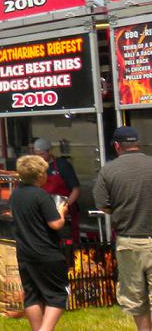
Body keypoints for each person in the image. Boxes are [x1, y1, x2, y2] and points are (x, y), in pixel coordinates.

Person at [94, 126, 152, 330]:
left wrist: (120, 210)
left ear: (117, 146)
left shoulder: (108, 170)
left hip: (129, 241)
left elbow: (102, 203)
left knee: (136, 298)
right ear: (137, 143)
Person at [10, 154, 69, 331]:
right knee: (57, 295)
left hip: (25, 252)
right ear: (39, 176)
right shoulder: (41, 195)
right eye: (45, 172)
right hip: (47, 253)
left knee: (32, 295)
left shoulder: (16, 194)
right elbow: (56, 223)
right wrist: (62, 212)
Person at [32, 138, 81, 241]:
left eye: (42, 154)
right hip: (44, 215)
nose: (39, 158)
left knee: (67, 245)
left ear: (49, 151)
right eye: (37, 154)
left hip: (64, 215)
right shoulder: (35, 168)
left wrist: (64, 208)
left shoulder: (62, 165)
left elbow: (76, 191)